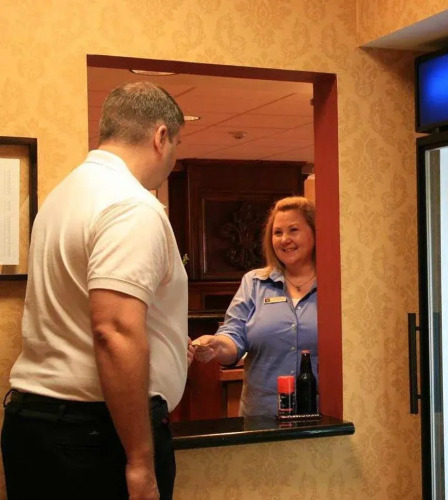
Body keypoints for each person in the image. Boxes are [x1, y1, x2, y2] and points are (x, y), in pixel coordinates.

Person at [1, 81, 192, 500]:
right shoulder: (130, 206)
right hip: (95, 437)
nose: (173, 159)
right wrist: (140, 461)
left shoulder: (63, 197)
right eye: (177, 144)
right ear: (161, 136)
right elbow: (114, 331)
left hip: (37, 426)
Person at [194, 196, 318, 417]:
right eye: (277, 232)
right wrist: (216, 346)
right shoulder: (254, 283)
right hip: (262, 415)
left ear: (315, 233)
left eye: (293, 230)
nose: (284, 239)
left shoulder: (337, 287)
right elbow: (233, 335)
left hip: (322, 414)